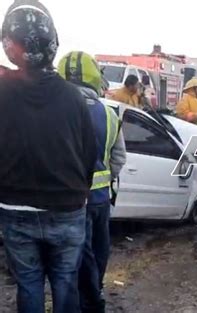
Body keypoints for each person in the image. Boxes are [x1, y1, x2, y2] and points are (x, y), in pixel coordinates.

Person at [0, 2, 97, 312]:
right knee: (65, 280)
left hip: (15, 207)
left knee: (28, 282)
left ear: (9, 46)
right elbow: (88, 155)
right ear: (53, 44)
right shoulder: (74, 97)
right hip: (67, 209)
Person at [58, 51, 127, 313]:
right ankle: (94, 294)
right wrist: (106, 177)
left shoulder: (56, 113)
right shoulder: (109, 114)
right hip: (101, 199)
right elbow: (119, 157)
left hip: (71, 201)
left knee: (77, 256)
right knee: (99, 250)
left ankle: (84, 301)